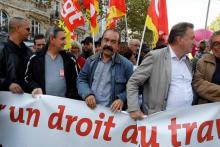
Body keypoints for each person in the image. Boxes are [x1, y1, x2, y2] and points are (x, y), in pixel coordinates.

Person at [127, 22, 195, 120]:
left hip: (184, 122)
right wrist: (133, 108)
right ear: (179, 39)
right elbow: (133, 82)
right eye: (192, 38)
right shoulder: (155, 57)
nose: (194, 42)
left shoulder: (188, 62)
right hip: (160, 124)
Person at [77, 29, 133, 112]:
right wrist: (87, 94)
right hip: (89, 111)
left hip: (110, 115)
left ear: (118, 46)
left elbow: (132, 88)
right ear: (101, 41)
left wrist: (121, 99)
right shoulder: (90, 60)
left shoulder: (126, 65)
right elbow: (81, 79)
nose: (108, 44)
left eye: (113, 42)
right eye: (106, 40)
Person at [24, 27, 81, 100]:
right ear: (52, 39)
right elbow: (27, 79)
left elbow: (78, 81)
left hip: (65, 107)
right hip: (43, 106)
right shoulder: (35, 58)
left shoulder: (70, 59)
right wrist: (35, 87)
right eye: (62, 39)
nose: (65, 42)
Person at [0, 17, 32, 93]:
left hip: (27, 100)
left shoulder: (28, 51)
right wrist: (8, 84)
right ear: (17, 28)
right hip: (6, 100)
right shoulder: (2, 49)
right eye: (27, 29)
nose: (30, 32)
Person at [192, 30, 220, 103]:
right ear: (211, 47)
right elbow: (197, 83)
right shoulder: (204, 61)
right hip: (208, 109)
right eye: (216, 44)